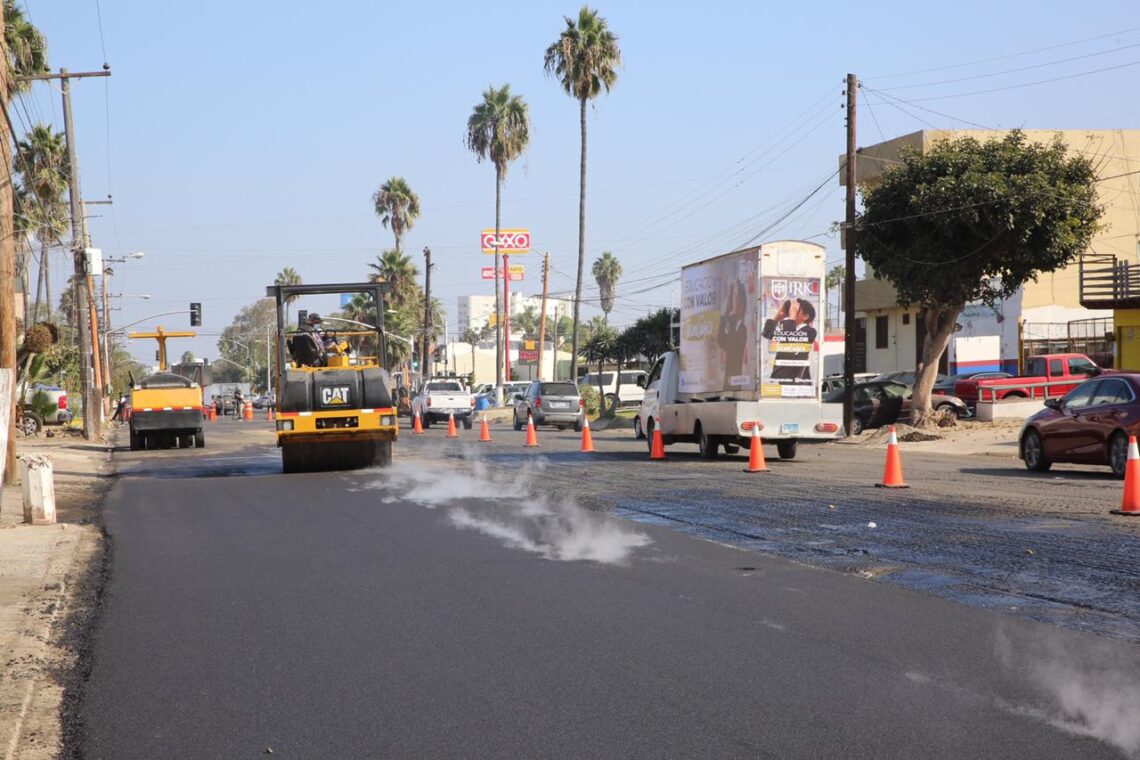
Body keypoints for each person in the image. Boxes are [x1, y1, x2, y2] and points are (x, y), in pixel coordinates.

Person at [717, 280, 749, 388]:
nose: (733, 302)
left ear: (742, 303)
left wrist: (731, 324)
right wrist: (722, 325)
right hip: (727, 380)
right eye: (732, 297)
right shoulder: (732, 325)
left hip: (736, 381)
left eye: (736, 297)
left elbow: (733, 348)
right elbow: (722, 342)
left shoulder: (742, 328)